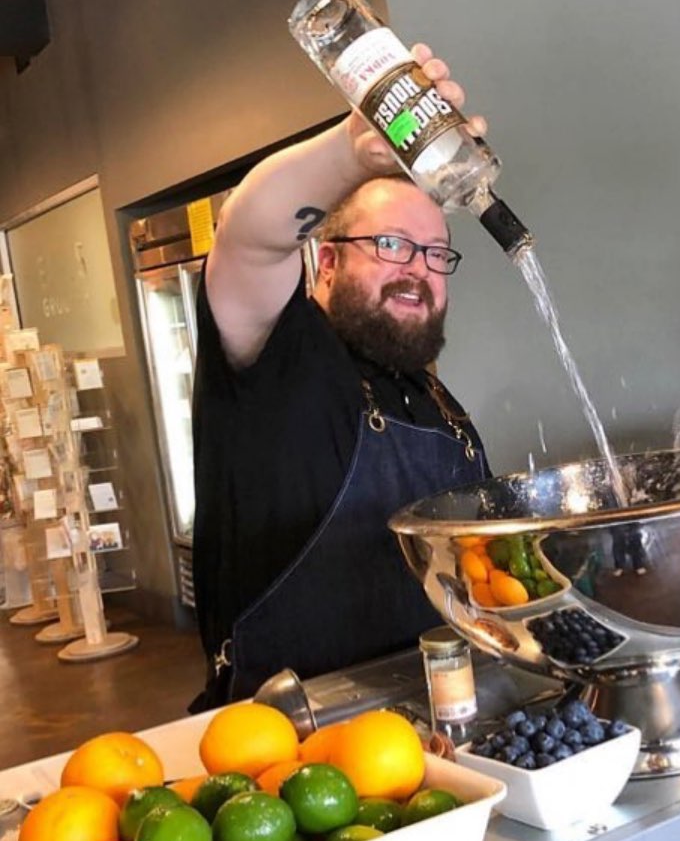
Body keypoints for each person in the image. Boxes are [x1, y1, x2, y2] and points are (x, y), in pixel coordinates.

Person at [190, 45, 491, 709]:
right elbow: (248, 238)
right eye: (390, 246)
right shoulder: (279, 356)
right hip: (286, 748)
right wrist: (355, 152)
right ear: (325, 264)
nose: (418, 269)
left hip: (440, 717)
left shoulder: (438, 403)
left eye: (436, 254)